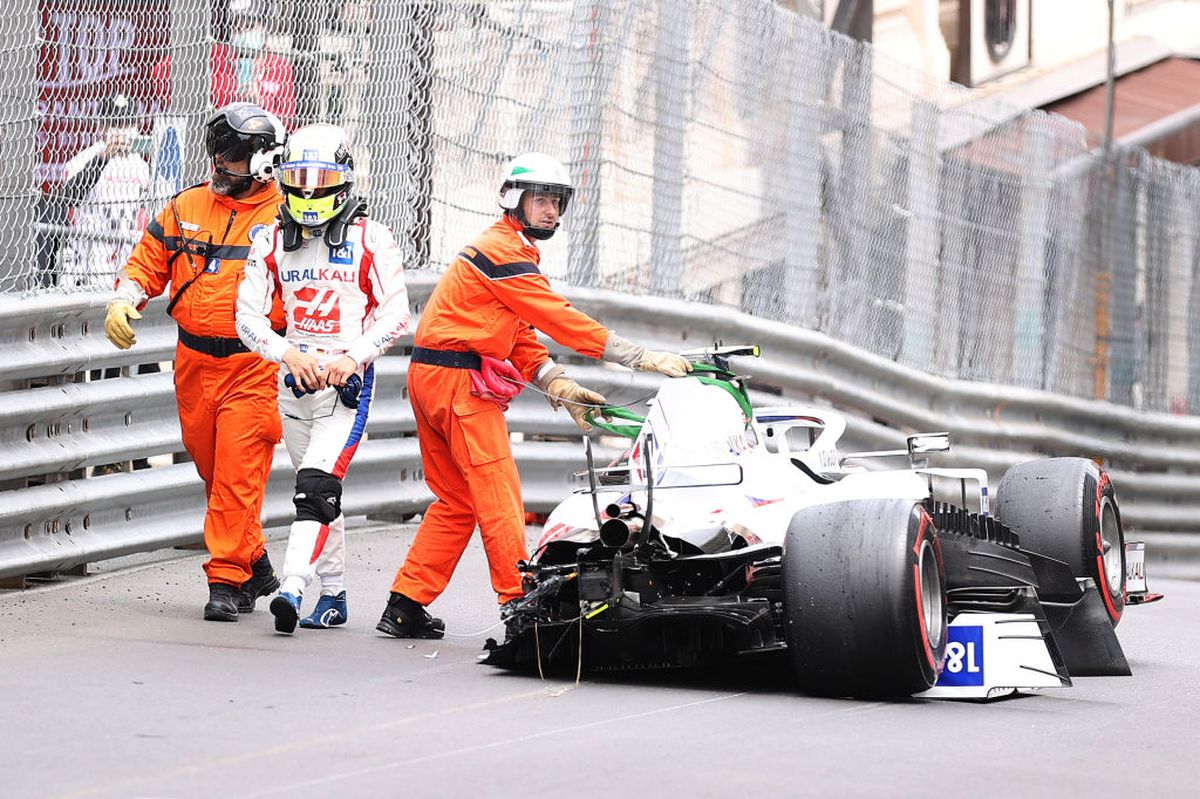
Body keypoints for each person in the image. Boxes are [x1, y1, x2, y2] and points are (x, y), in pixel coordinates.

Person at [376, 152, 692, 639]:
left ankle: (406, 602)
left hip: (435, 379)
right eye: (541, 200)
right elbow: (556, 317)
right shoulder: (504, 252)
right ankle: (521, 604)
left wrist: (555, 382)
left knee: (457, 499)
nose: (551, 211)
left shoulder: (509, 250)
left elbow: (520, 334)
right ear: (513, 199)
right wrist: (639, 357)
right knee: (499, 492)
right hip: (458, 387)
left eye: (557, 202)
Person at [103, 102, 289, 622]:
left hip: (254, 366)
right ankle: (256, 561)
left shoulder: (286, 217)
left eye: (231, 157)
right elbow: (147, 262)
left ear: (262, 162)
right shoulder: (186, 205)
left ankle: (227, 580)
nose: (219, 165)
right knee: (215, 472)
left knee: (236, 473)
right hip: (192, 363)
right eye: (217, 154)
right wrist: (126, 297)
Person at [235, 123, 411, 634]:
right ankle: (333, 595)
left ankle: (291, 587)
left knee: (313, 489)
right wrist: (285, 352)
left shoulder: (372, 237)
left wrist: (353, 356)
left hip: (344, 389)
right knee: (320, 493)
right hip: (292, 384)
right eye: (300, 178)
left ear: (345, 179)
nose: (310, 191)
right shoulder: (268, 238)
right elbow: (246, 316)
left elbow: (396, 313)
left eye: (322, 179)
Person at [56, 93, 151, 290]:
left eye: (128, 124)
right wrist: (103, 158)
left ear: (137, 126)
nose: (122, 132)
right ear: (101, 127)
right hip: (88, 266)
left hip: (127, 266)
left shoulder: (142, 167)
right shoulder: (83, 159)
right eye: (114, 124)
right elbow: (68, 197)